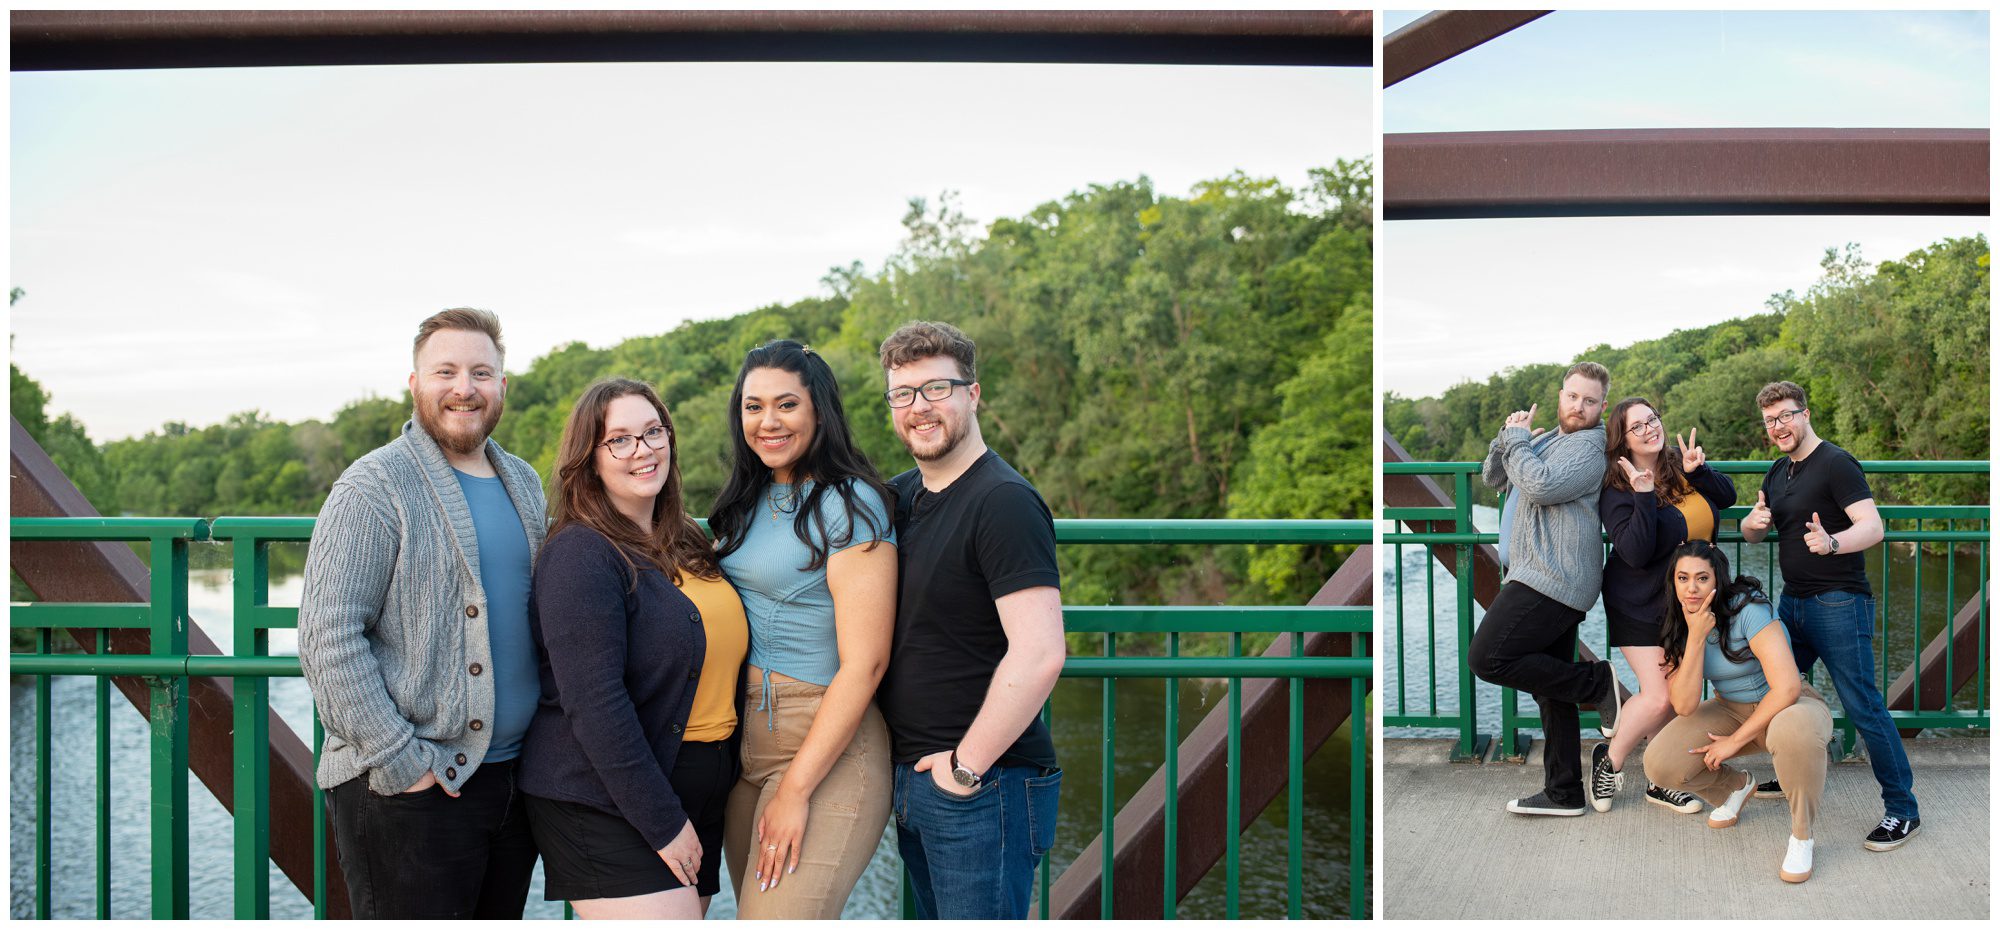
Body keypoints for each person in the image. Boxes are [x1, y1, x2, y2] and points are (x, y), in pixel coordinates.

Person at [299, 307, 545, 918]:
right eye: (446, 371)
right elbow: (327, 637)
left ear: (503, 387)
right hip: (411, 789)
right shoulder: (373, 486)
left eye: (481, 372)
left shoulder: (525, 481)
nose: (465, 388)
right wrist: (403, 764)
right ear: (415, 385)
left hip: (513, 787)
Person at [518, 379, 748, 919]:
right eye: (619, 440)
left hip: (696, 790)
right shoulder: (581, 554)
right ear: (587, 459)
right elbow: (595, 705)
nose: (643, 449)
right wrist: (662, 821)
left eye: (652, 431)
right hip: (608, 798)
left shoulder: (688, 541)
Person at [874, 321, 1066, 919]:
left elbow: (1039, 652)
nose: (919, 409)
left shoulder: (1003, 502)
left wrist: (963, 770)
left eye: (937, 389)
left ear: (973, 393)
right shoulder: (899, 498)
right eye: (903, 394)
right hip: (917, 780)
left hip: (985, 785)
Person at [709, 340, 898, 918]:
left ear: (819, 411)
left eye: (786, 404)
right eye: (753, 406)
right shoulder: (748, 500)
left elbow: (866, 663)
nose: (768, 422)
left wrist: (795, 790)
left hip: (826, 748)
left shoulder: (851, 504)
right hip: (743, 748)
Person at [1740, 380, 1915, 850]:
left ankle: (1902, 809)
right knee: (1771, 690)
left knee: (1863, 706)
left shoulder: (1837, 463)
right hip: (1792, 605)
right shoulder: (1779, 472)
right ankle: (1796, 770)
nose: (1779, 426)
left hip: (1839, 603)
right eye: (1770, 420)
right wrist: (1750, 526)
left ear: (1805, 413)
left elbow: (1873, 527)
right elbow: (1756, 529)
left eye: (1786, 415)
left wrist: (1833, 542)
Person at [1471, 361, 1623, 817]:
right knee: (1551, 688)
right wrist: (1509, 436)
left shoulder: (1590, 449)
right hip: (1536, 575)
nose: (1579, 407)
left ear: (1602, 407)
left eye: (1590, 401)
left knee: (1488, 657)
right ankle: (1563, 792)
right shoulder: (1543, 440)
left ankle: (1598, 682)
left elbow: (1540, 486)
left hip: (1553, 579)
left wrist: (1519, 446)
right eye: (1573, 396)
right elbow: (1494, 477)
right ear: (1561, 395)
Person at [1642, 541, 1833, 883]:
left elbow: (1787, 686)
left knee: (1794, 731)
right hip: (1730, 708)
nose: (1692, 588)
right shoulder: (1679, 621)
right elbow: (1684, 705)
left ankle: (1802, 837)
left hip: (1789, 705)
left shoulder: (1748, 609)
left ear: (1718, 579)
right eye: (1683, 578)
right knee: (1659, 763)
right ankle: (1734, 788)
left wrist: (1733, 743)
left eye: (1702, 578)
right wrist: (1697, 637)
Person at [1590, 398, 1735, 814]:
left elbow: (1725, 496)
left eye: (1652, 419)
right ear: (1622, 438)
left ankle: (1659, 779)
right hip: (1636, 601)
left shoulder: (1678, 464)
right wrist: (1641, 493)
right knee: (1657, 698)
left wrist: (1699, 470)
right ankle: (1609, 761)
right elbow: (1635, 551)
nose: (1650, 428)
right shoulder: (1617, 486)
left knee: (1677, 695)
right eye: (1637, 426)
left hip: (1682, 601)